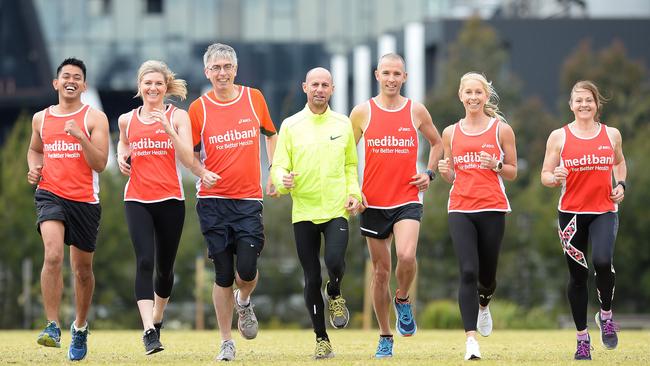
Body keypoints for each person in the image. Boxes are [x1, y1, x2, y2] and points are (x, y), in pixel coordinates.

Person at [188, 43, 277, 362]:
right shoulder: (199, 108)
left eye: (227, 67)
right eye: (216, 68)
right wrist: (201, 171)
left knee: (247, 270)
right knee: (223, 273)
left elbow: (271, 134)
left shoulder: (254, 98)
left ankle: (244, 301)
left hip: (248, 199)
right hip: (212, 202)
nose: (222, 73)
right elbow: (189, 153)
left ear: (235, 70)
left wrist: (274, 171)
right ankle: (226, 341)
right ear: (206, 73)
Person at [349, 53, 443, 358]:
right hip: (373, 202)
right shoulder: (362, 112)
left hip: (407, 197)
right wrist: (353, 191)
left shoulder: (415, 110)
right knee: (380, 273)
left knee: (406, 255)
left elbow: (438, 143)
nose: (391, 79)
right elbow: (347, 157)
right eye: (386, 73)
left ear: (405, 77)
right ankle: (385, 335)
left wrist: (429, 173)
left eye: (397, 74)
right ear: (377, 75)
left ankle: (403, 298)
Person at [271, 67, 362, 359]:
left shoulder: (343, 123)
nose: (320, 89)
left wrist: (354, 194)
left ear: (332, 89)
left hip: (337, 208)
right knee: (311, 277)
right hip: (304, 211)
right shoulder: (291, 125)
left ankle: (334, 291)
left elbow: (350, 165)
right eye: (315, 85)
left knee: (334, 262)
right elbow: (278, 166)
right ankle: (321, 338)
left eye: (325, 85)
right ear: (305, 88)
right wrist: (281, 181)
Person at [27, 58, 109, 361]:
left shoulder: (94, 118)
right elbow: (35, 149)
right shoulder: (41, 118)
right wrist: (34, 169)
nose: (71, 80)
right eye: (65, 76)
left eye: (77, 77)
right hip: (50, 194)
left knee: (83, 271)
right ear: (56, 83)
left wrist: (80, 137)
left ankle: (80, 326)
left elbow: (100, 163)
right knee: (52, 255)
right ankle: (52, 326)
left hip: (85, 200)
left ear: (84, 85)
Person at [541, 80, 626, 361]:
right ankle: (582, 339)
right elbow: (545, 175)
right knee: (578, 276)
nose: (584, 105)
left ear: (596, 104)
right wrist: (555, 178)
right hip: (571, 216)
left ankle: (606, 315)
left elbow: (619, 162)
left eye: (588, 100)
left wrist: (621, 184)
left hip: (604, 210)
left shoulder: (611, 134)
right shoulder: (559, 137)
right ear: (571, 105)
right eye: (578, 100)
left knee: (602, 262)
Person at [437, 72, 517, 360]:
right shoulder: (450, 132)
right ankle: (471, 340)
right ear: (460, 96)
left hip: (493, 207)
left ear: (486, 96)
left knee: (487, 275)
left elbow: (512, 171)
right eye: (468, 92)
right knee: (468, 271)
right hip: (460, 208)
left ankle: (484, 304)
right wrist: (446, 173)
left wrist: (497, 164)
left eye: (478, 93)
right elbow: (451, 174)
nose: (473, 97)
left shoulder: (501, 130)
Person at [116, 60, 194, 355]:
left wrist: (169, 131)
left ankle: (158, 317)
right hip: (136, 198)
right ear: (140, 87)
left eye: (158, 83)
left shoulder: (178, 117)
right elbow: (123, 143)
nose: (152, 88)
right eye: (147, 83)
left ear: (166, 87)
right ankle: (149, 331)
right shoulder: (126, 119)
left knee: (164, 270)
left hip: (171, 199)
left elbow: (188, 157)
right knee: (144, 262)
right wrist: (122, 156)